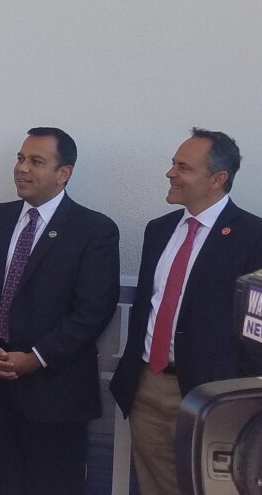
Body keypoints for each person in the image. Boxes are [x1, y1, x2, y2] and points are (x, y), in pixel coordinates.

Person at [0, 127, 120, 495]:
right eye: (20, 158)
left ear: (64, 173)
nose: (22, 168)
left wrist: (36, 358)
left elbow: (92, 310)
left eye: (36, 161)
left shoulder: (94, 230)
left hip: (56, 396)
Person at [110, 128, 262, 495]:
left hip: (211, 397)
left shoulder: (253, 236)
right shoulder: (159, 230)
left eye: (184, 167)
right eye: (172, 164)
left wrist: (239, 396)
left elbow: (255, 331)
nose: (170, 174)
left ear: (217, 179)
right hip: (147, 389)